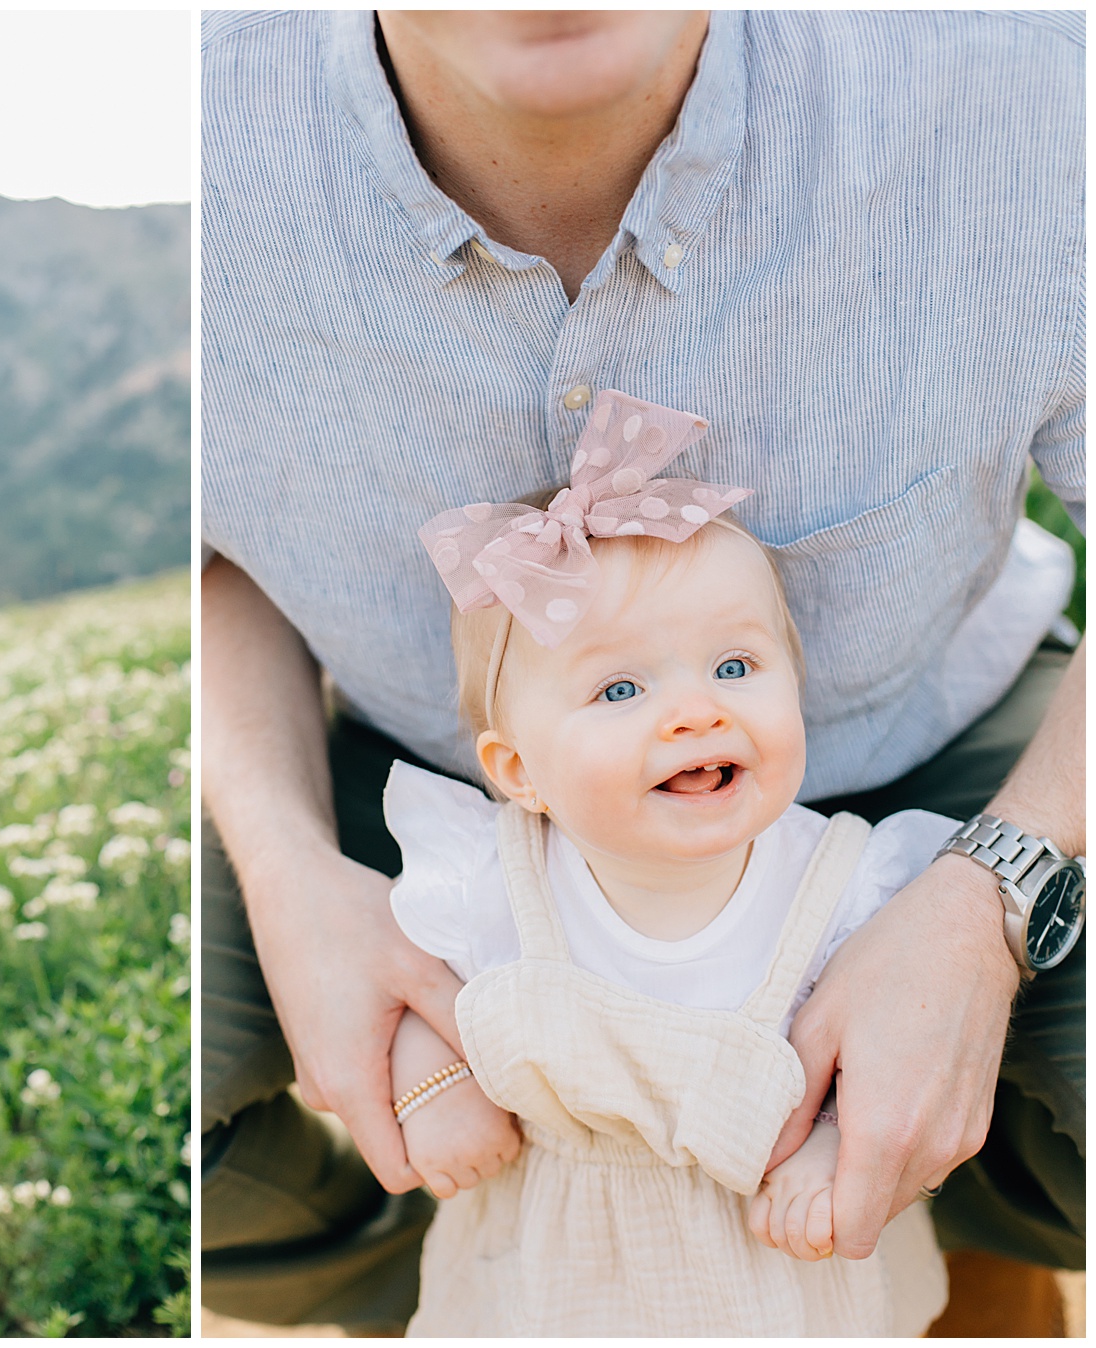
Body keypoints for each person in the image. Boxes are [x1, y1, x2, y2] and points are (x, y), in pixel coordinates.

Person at [201, 10, 1083, 1333]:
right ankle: (489, 1267)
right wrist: (283, 872)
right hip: (391, 746)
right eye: (626, 690)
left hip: (947, 724)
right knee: (180, 1084)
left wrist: (985, 904)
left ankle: (930, 1188)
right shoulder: (204, 113)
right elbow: (211, 550)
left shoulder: (1021, 69)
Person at [386, 390, 951, 1335]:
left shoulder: (845, 886)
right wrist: (429, 1088)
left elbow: (887, 1056)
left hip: (776, 1273)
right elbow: (423, 998)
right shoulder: (493, 880)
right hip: (553, 1270)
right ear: (520, 771)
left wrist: (831, 1152)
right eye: (619, 687)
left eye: (735, 668)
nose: (696, 711)